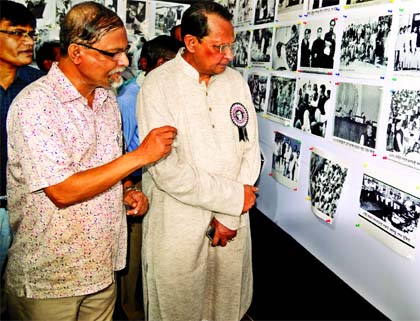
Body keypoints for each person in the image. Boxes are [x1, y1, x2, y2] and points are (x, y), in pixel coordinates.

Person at [4, 2, 177, 320]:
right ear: (76, 52)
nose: (124, 62)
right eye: (112, 53)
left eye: (125, 51)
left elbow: (108, 163)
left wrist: (127, 189)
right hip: (51, 279)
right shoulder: (34, 105)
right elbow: (62, 191)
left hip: (101, 269)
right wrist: (139, 156)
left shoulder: (106, 98)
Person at [136, 1, 261, 320]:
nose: (228, 55)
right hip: (179, 223)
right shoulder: (158, 84)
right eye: (219, 46)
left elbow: (250, 151)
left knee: (226, 305)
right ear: (191, 42)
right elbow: (166, 169)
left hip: (231, 224)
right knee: (178, 307)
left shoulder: (235, 83)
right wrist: (231, 198)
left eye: (231, 46)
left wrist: (229, 216)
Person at [115, 34, 181, 320]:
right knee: (133, 252)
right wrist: (128, 188)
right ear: (146, 63)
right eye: (165, 63)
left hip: (158, 180)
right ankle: (130, 309)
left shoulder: (167, 92)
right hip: (135, 181)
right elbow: (121, 148)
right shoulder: (130, 97)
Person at [0, 0, 45, 274]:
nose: (28, 42)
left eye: (31, 34)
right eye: (17, 33)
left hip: (28, 209)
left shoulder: (40, 86)